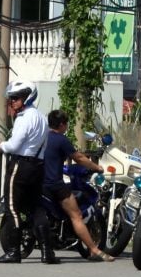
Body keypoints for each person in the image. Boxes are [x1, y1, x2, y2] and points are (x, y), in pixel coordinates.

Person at [38, 110, 114, 263]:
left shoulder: (40, 137)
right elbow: (78, 157)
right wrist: (96, 167)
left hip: (38, 184)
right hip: (55, 185)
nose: (67, 127)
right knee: (76, 215)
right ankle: (94, 250)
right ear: (61, 125)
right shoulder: (60, 139)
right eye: (66, 124)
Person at [0, 80, 48, 264]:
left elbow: (14, 146)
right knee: (37, 209)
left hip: (21, 166)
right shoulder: (42, 117)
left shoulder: (24, 118)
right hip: (38, 166)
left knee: (12, 207)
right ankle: (47, 252)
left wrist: (1, 145)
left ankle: (14, 251)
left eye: (16, 98)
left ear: (27, 97)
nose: (12, 102)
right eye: (12, 98)